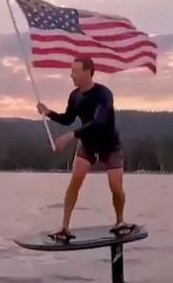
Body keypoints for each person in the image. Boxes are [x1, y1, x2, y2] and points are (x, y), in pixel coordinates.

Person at [36, 57, 135, 242]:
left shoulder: (104, 94)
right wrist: (48, 112)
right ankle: (64, 227)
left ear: (88, 72)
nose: (71, 74)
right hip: (87, 145)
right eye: (71, 70)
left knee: (116, 187)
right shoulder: (75, 96)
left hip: (110, 145)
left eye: (75, 71)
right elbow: (68, 119)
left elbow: (99, 123)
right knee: (75, 181)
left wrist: (69, 136)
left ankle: (120, 222)